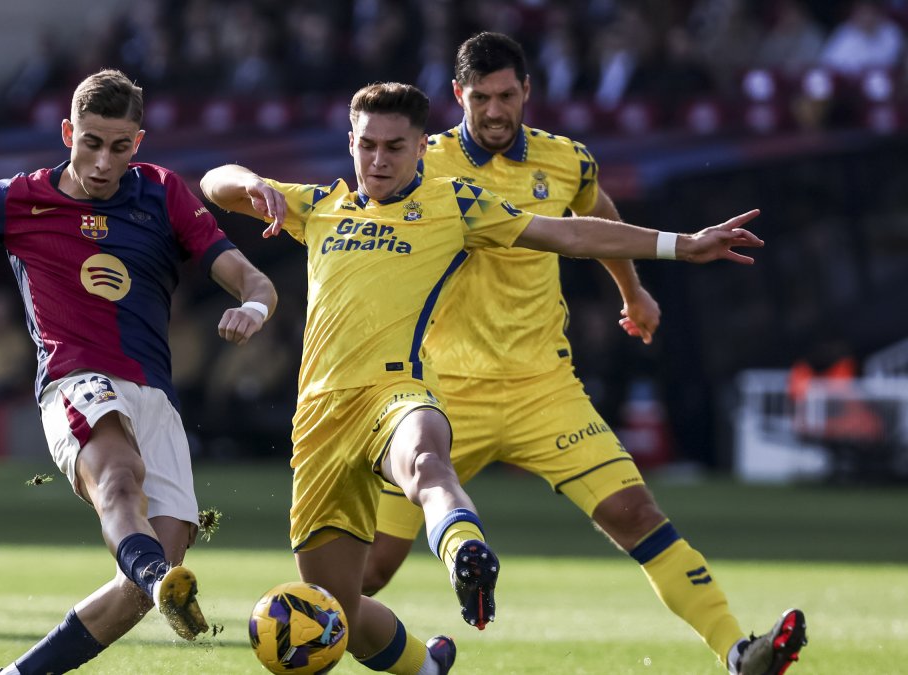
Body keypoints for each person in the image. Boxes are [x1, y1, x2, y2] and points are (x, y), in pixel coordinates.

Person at [200, 81, 763, 675]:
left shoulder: (456, 204)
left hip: (398, 393)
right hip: (319, 420)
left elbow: (568, 233)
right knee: (336, 608)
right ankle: (428, 666)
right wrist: (249, 184)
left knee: (425, 460)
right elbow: (214, 183)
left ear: (422, 146)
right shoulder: (317, 205)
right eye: (367, 146)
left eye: (395, 147)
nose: (379, 160)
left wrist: (681, 245)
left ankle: (465, 551)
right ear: (350, 143)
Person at [358, 33, 808, 675]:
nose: (494, 111)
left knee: (635, 511)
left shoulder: (567, 160)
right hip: (441, 395)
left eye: (506, 96)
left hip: (545, 388)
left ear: (527, 92)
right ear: (457, 95)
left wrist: (634, 291)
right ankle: (405, 657)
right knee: (370, 569)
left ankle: (739, 652)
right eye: (480, 97)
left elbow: (593, 218)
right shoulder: (419, 162)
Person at [0, 69, 277, 674]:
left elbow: (250, 276)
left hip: (154, 397)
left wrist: (252, 306)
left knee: (139, 590)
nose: (103, 160)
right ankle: (159, 574)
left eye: (119, 146)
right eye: (91, 141)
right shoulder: (18, 197)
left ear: (137, 144)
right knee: (119, 480)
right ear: (67, 132)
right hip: (75, 379)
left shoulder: (163, 193)